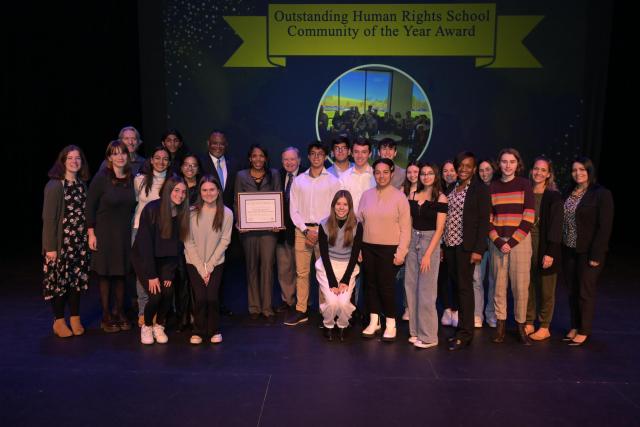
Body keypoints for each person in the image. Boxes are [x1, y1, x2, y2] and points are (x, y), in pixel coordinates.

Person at [285, 142, 341, 326]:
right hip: (302, 231)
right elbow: (293, 210)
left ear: (325, 156)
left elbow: (336, 210)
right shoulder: (299, 180)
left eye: (320, 154)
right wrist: (305, 229)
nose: (316, 157)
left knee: (324, 273)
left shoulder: (333, 181)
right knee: (301, 273)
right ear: (308, 157)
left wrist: (319, 230)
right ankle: (301, 310)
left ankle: (325, 312)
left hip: (324, 232)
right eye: (313, 154)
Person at [562, 157, 613, 346]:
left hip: (588, 252)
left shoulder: (601, 194)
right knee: (572, 291)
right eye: (575, 170)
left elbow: (604, 227)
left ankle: (584, 330)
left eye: (582, 170)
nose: (578, 173)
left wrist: (596, 255)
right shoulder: (569, 191)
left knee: (585, 291)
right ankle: (575, 325)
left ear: (590, 171)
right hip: (569, 249)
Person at [132, 176, 189, 344]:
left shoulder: (181, 213)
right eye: (176, 190)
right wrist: (151, 275)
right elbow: (145, 245)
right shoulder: (152, 209)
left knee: (168, 293)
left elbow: (177, 248)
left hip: (166, 260)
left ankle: (159, 324)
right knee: (155, 296)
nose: (180, 195)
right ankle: (147, 326)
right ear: (168, 190)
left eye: (184, 192)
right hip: (145, 259)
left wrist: (169, 274)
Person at [86, 140, 137, 333]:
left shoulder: (133, 178)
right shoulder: (102, 178)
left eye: (123, 153)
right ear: (109, 157)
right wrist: (91, 233)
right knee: (106, 275)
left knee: (121, 274)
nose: (120, 156)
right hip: (105, 233)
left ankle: (120, 312)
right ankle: (107, 315)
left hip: (124, 234)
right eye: (115, 153)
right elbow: (90, 206)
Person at [358, 158, 411, 342]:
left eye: (385, 172)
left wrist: (401, 252)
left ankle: (390, 323)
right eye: (378, 172)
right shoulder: (366, 195)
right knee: (370, 286)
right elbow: (360, 224)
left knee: (386, 287)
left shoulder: (400, 197)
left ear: (392, 173)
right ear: (374, 174)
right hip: (368, 247)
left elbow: (406, 228)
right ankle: (374, 322)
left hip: (390, 250)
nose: (381, 176)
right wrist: (359, 248)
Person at [443, 152, 491, 351]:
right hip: (451, 245)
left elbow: (483, 221)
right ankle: (461, 329)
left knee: (465, 289)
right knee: (457, 287)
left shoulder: (480, 189)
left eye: (468, 166)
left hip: (467, 247)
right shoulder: (453, 187)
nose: (463, 169)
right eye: (460, 165)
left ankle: (465, 333)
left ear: (474, 168)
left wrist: (478, 249)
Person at [42, 145, 91, 337]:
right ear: (62, 161)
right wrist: (51, 248)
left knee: (75, 282)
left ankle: (75, 318)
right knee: (59, 283)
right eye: (70, 158)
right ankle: (59, 321)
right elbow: (49, 219)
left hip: (79, 244)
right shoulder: (55, 185)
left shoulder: (81, 184)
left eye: (78, 158)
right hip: (61, 245)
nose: (74, 161)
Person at [489, 148, 535, 345]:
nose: (507, 165)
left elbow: (529, 216)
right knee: (498, 286)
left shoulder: (525, 184)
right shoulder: (493, 186)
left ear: (518, 164)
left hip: (520, 243)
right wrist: (499, 241)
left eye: (512, 162)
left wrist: (512, 242)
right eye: (504, 161)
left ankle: (520, 326)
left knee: (520, 287)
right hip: (497, 243)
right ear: (499, 164)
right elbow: (488, 218)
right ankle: (500, 326)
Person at [234, 144, 282, 321]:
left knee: (268, 267)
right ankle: (254, 307)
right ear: (249, 158)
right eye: (254, 156)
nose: (258, 159)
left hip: (269, 230)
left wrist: (279, 221)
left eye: (261, 156)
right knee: (251, 267)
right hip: (249, 231)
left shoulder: (274, 174)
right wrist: (240, 222)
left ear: (266, 158)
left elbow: (279, 197)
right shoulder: (241, 176)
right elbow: (236, 201)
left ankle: (267, 307)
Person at [184, 176, 233, 344]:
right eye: (204, 190)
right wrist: (200, 267)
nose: (208, 193)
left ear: (218, 191)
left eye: (212, 189)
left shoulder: (226, 213)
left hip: (216, 262)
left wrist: (210, 266)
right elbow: (188, 241)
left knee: (211, 297)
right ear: (200, 192)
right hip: (193, 262)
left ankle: (213, 330)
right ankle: (197, 330)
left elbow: (225, 240)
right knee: (200, 297)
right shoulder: (191, 212)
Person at [404, 162, 447, 349]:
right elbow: (409, 223)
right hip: (413, 240)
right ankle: (415, 332)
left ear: (435, 176)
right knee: (410, 287)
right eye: (423, 173)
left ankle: (429, 336)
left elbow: (440, 229)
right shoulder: (412, 195)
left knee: (426, 291)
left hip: (430, 243)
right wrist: (406, 246)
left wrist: (429, 254)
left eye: (430, 173)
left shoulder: (441, 198)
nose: (426, 176)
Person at [199, 130, 239, 316]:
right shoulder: (200, 163)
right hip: (204, 222)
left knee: (222, 263)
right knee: (206, 262)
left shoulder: (234, 164)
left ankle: (218, 303)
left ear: (226, 145)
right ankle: (205, 305)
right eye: (214, 143)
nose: (218, 146)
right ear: (208, 143)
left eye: (221, 143)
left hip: (227, 220)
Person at [524, 156, 563, 341]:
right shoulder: (526, 192)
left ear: (549, 174)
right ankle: (529, 321)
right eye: (536, 168)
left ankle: (545, 326)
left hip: (545, 245)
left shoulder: (554, 196)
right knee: (528, 285)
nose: (538, 172)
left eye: (543, 170)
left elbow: (556, 227)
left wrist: (550, 252)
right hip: (525, 244)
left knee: (546, 288)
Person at [316, 190, 363, 341]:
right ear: (333, 205)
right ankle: (328, 324)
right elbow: (324, 254)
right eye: (338, 204)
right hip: (327, 267)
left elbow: (355, 255)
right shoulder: (324, 224)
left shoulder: (357, 225)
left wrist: (344, 280)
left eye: (345, 204)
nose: (341, 207)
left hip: (347, 268)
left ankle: (343, 325)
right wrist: (331, 281)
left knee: (343, 304)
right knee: (331, 302)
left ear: (350, 207)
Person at [132, 147, 170, 327]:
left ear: (169, 162)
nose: (161, 162)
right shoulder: (139, 180)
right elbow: (134, 204)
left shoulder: (171, 182)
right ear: (151, 160)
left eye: (165, 159)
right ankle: (143, 311)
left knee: (159, 272)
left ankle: (157, 310)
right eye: (157, 158)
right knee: (144, 273)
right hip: (140, 230)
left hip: (162, 233)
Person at [275, 147, 302, 313]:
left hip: (301, 231)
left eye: (293, 159)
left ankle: (302, 302)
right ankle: (288, 300)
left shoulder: (307, 175)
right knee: (284, 269)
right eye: (286, 159)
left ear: (299, 160)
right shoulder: (276, 175)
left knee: (302, 270)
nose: (289, 162)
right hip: (281, 232)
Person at [476, 159, 498, 327]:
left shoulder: (499, 188)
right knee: (477, 278)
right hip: (479, 240)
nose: (484, 173)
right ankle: (477, 314)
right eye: (481, 170)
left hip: (496, 239)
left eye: (487, 169)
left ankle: (491, 313)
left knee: (494, 279)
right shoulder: (475, 189)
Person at [439, 160, 459, 327]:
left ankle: (456, 310)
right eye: (445, 171)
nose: (449, 173)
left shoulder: (460, 190)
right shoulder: (439, 191)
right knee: (442, 277)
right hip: (440, 241)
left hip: (456, 241)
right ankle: (446, 309)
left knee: (456, 277)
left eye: (452, 170)